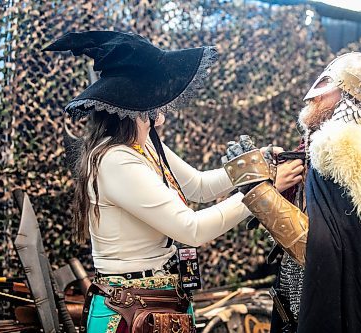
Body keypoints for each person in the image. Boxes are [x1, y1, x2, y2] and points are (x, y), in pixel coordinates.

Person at [44, 31, 301, 333]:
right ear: (131, 107)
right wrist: (262, 192)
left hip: (158, 306)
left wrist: (258, 166)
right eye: (153, 108)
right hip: (131, 314)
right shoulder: (115, 160)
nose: (162, 118)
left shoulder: (144, 145)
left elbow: (200, 186)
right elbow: (191, 229)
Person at [224, 52, 361, 333]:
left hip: (346, 311)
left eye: (325, 86)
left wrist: (257, 190)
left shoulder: (346, 153)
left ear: (348, 98)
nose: (311, 96)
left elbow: (320, 248)